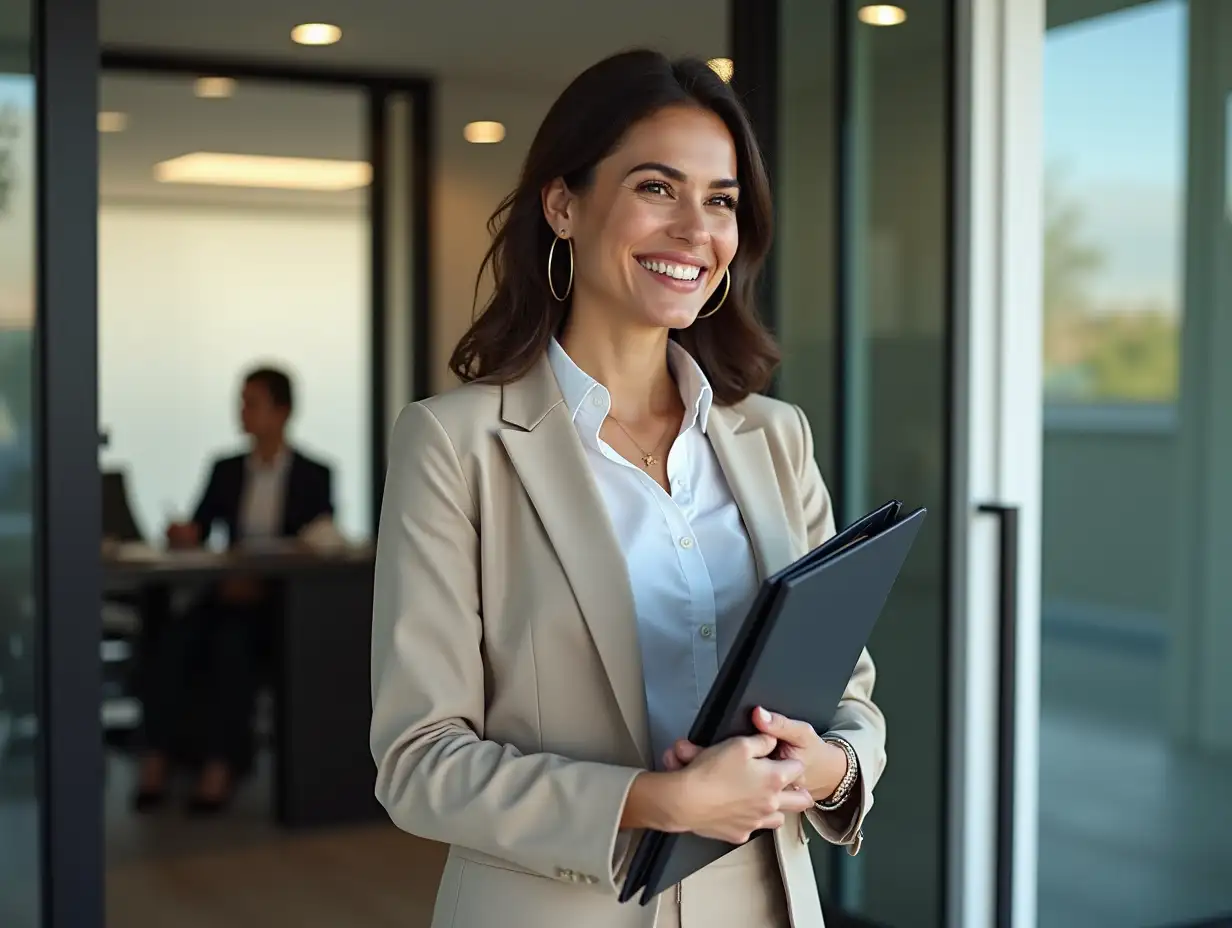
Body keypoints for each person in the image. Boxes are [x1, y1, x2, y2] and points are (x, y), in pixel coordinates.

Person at [370, 50, 885, 928]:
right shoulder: (455, 445)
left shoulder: (775, 436)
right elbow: (419, 763)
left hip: (764, 903)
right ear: (563, 205)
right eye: (657, 187)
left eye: (720, 200)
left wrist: (828, 766)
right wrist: (653, 801)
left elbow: (850, 696)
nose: (695, 231)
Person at [134, 366, 333, 813]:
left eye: (251, 402)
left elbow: (320, 539)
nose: (240, 411)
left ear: (282, 412)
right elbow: (202, 527)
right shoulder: (225, 469)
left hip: (276, 605)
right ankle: (156, 758)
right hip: (224, 594)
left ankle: (220, 769)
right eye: (239, 401)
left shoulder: (313, 474)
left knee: (232, 649)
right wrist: (186, 533)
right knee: (172, 643)